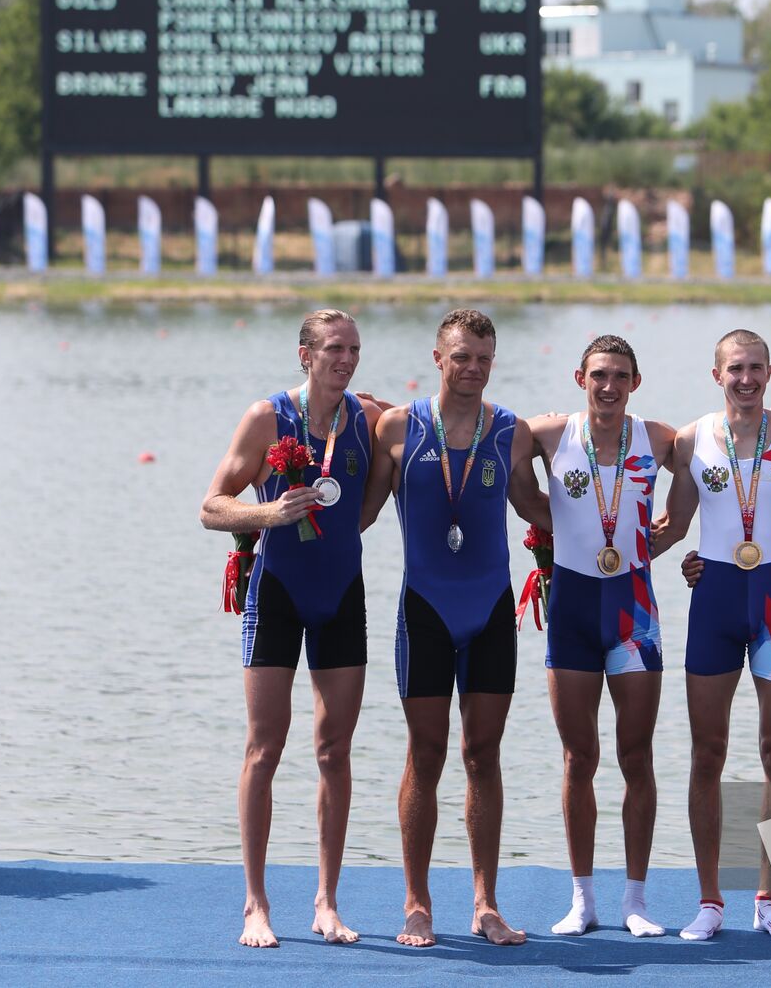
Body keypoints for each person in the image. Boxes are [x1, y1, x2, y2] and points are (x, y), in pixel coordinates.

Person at [361, 308, 547, 948]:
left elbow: (539, 508)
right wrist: (288, 507)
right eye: (461, 357)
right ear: (437, 359)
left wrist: (626, 523)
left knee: (483, 755)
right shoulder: (396, 427)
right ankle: (417, 902)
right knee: (428, 753)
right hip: (426, 611)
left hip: (491, 610)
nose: (472, 369)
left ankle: (486, 903)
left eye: (484, 359)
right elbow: (356, 516)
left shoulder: (512, 433)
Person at [200, 308, 382, 949]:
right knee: (264, 748)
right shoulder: (267, 417)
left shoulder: (367, 417)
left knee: (334, 751)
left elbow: (426, 431)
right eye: (335, 348)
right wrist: (270, 511)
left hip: (341, 593)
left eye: (354, 348)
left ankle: (327, 901)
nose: (347, 359)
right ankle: (255, 903)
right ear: (305, 355)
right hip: (274, 591)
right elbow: (210, 507)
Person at [654, 328, 771, 941]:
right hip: (715, 603)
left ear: (770, 372)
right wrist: (596, 541)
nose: (745, 379)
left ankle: (769, 899)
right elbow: (672, 525)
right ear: (716, 374)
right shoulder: (694, 439)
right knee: (707, 752)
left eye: (755, 368)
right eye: (734, 369)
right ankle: (708, 901)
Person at [525, 335, 677, 937]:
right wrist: (552, 519)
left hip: (634, 611)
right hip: (571, 609)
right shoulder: (546, 435)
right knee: (578, 757)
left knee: (635, 756)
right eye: (597, 375)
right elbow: (503, 468)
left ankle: (635, 901)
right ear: (579, 378)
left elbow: (712, 475)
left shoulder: (661, 438)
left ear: (635, 382)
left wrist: (661, 542)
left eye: (619, 376)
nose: (608, 386)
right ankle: (582, 899)